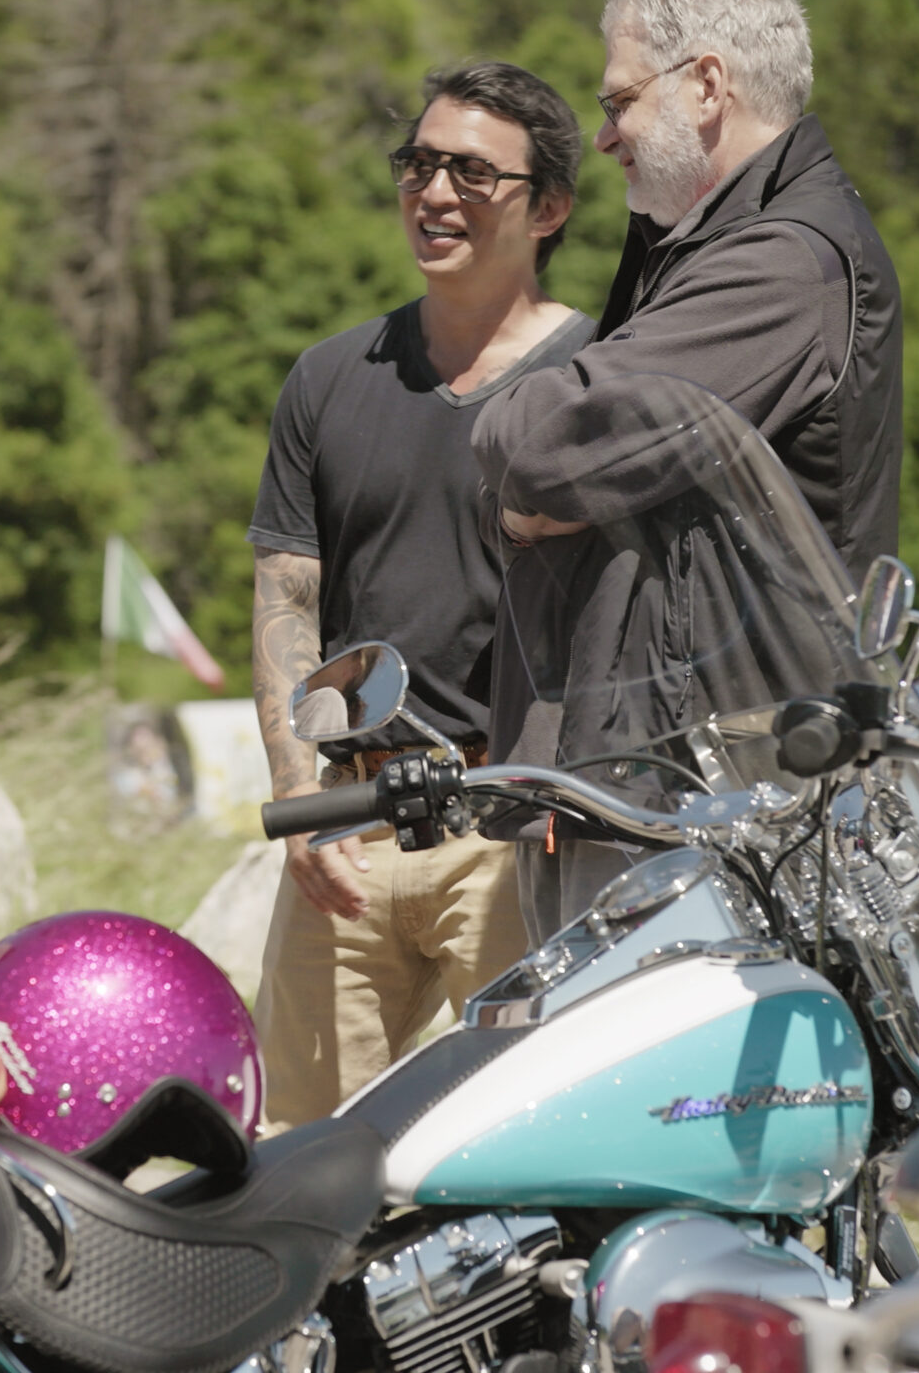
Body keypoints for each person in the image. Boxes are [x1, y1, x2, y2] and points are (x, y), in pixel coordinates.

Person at [472, 0, 907, 939]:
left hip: (715, 809)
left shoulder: (786, 267)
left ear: (704, 83)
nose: (606, 133)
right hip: (664, 788)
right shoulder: (703, 250)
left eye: (619, 99)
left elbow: (537, 446)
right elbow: (563, 452)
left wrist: (526, 456)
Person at [247, 62, 596, 1126]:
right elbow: (286, 599)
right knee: (296, 1158)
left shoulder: (598, 381)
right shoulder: (328, 377)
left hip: (508, 830)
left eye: (470, 174)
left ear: (547, 207)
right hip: (347, 824)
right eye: (417, 164)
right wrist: (304, 804)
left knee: (520, 1145)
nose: (432, 193)